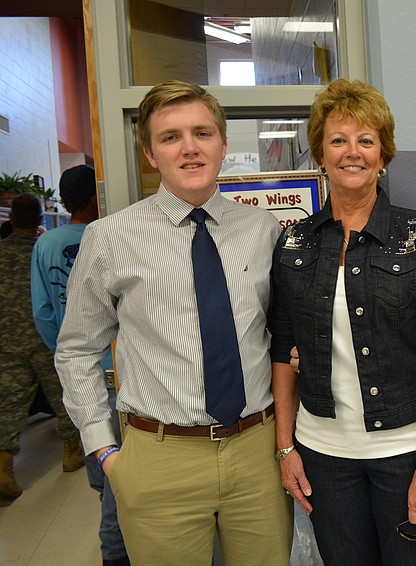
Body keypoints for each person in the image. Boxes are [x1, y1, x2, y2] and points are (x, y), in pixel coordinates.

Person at [55, 80, 293, 565]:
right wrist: (103, 450)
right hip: (160, 458)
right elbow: (76, 349)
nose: (190, 148)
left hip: (258, 454)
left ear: (223, 145)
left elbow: (279, 337)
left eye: (202, 133)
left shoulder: (262, 229)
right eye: (171, 137)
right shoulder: (109, 239)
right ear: (150, 153)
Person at [269, 78, 416, 565]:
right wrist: (284, 448)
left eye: (366, 140)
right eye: (338, 140)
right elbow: (283, 349)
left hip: (407, 452)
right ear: (320, 152)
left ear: (383, 154)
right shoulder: (295, 244)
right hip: (323, 457)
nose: (351, 152)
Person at [30, 164, 130, 566]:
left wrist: (71, 360)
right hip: (119, 375)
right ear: (95, 197)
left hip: (83, 375)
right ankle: (117, 555)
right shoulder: (107, 237)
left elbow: (43, 312)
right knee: (116, 489)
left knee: (105, 479)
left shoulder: (46, 244)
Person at [0, 193, 84, 499]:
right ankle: (72, 452)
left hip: (7, 340)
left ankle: (4, 463)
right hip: (42, 335)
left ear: (10, 219)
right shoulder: (43, 248)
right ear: (39, 220)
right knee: (62, 392)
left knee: (8, 400)